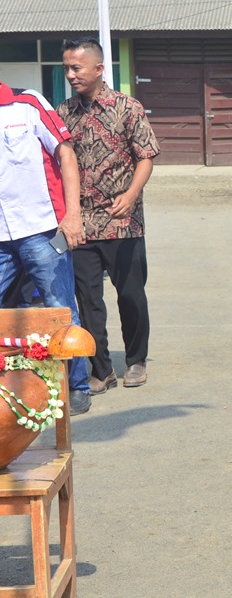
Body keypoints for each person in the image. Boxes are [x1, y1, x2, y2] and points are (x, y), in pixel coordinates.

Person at [59, 37, 159, 393]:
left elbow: (146, 156)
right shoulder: (63, 112)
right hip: (81, 224)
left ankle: (135, 360)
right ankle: (101, 370)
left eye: (77, 68)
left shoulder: (127, 107)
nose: (71, 74)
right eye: (67, 68)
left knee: (131, 294)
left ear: (99, 69)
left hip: (123, 221)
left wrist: (131, 195)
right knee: (87, 300)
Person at [0, 80, 91, 414]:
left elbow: (66, 154)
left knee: (59, 307)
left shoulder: (28, 103)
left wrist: (73, 216)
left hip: (41, 228)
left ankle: (77, 385)